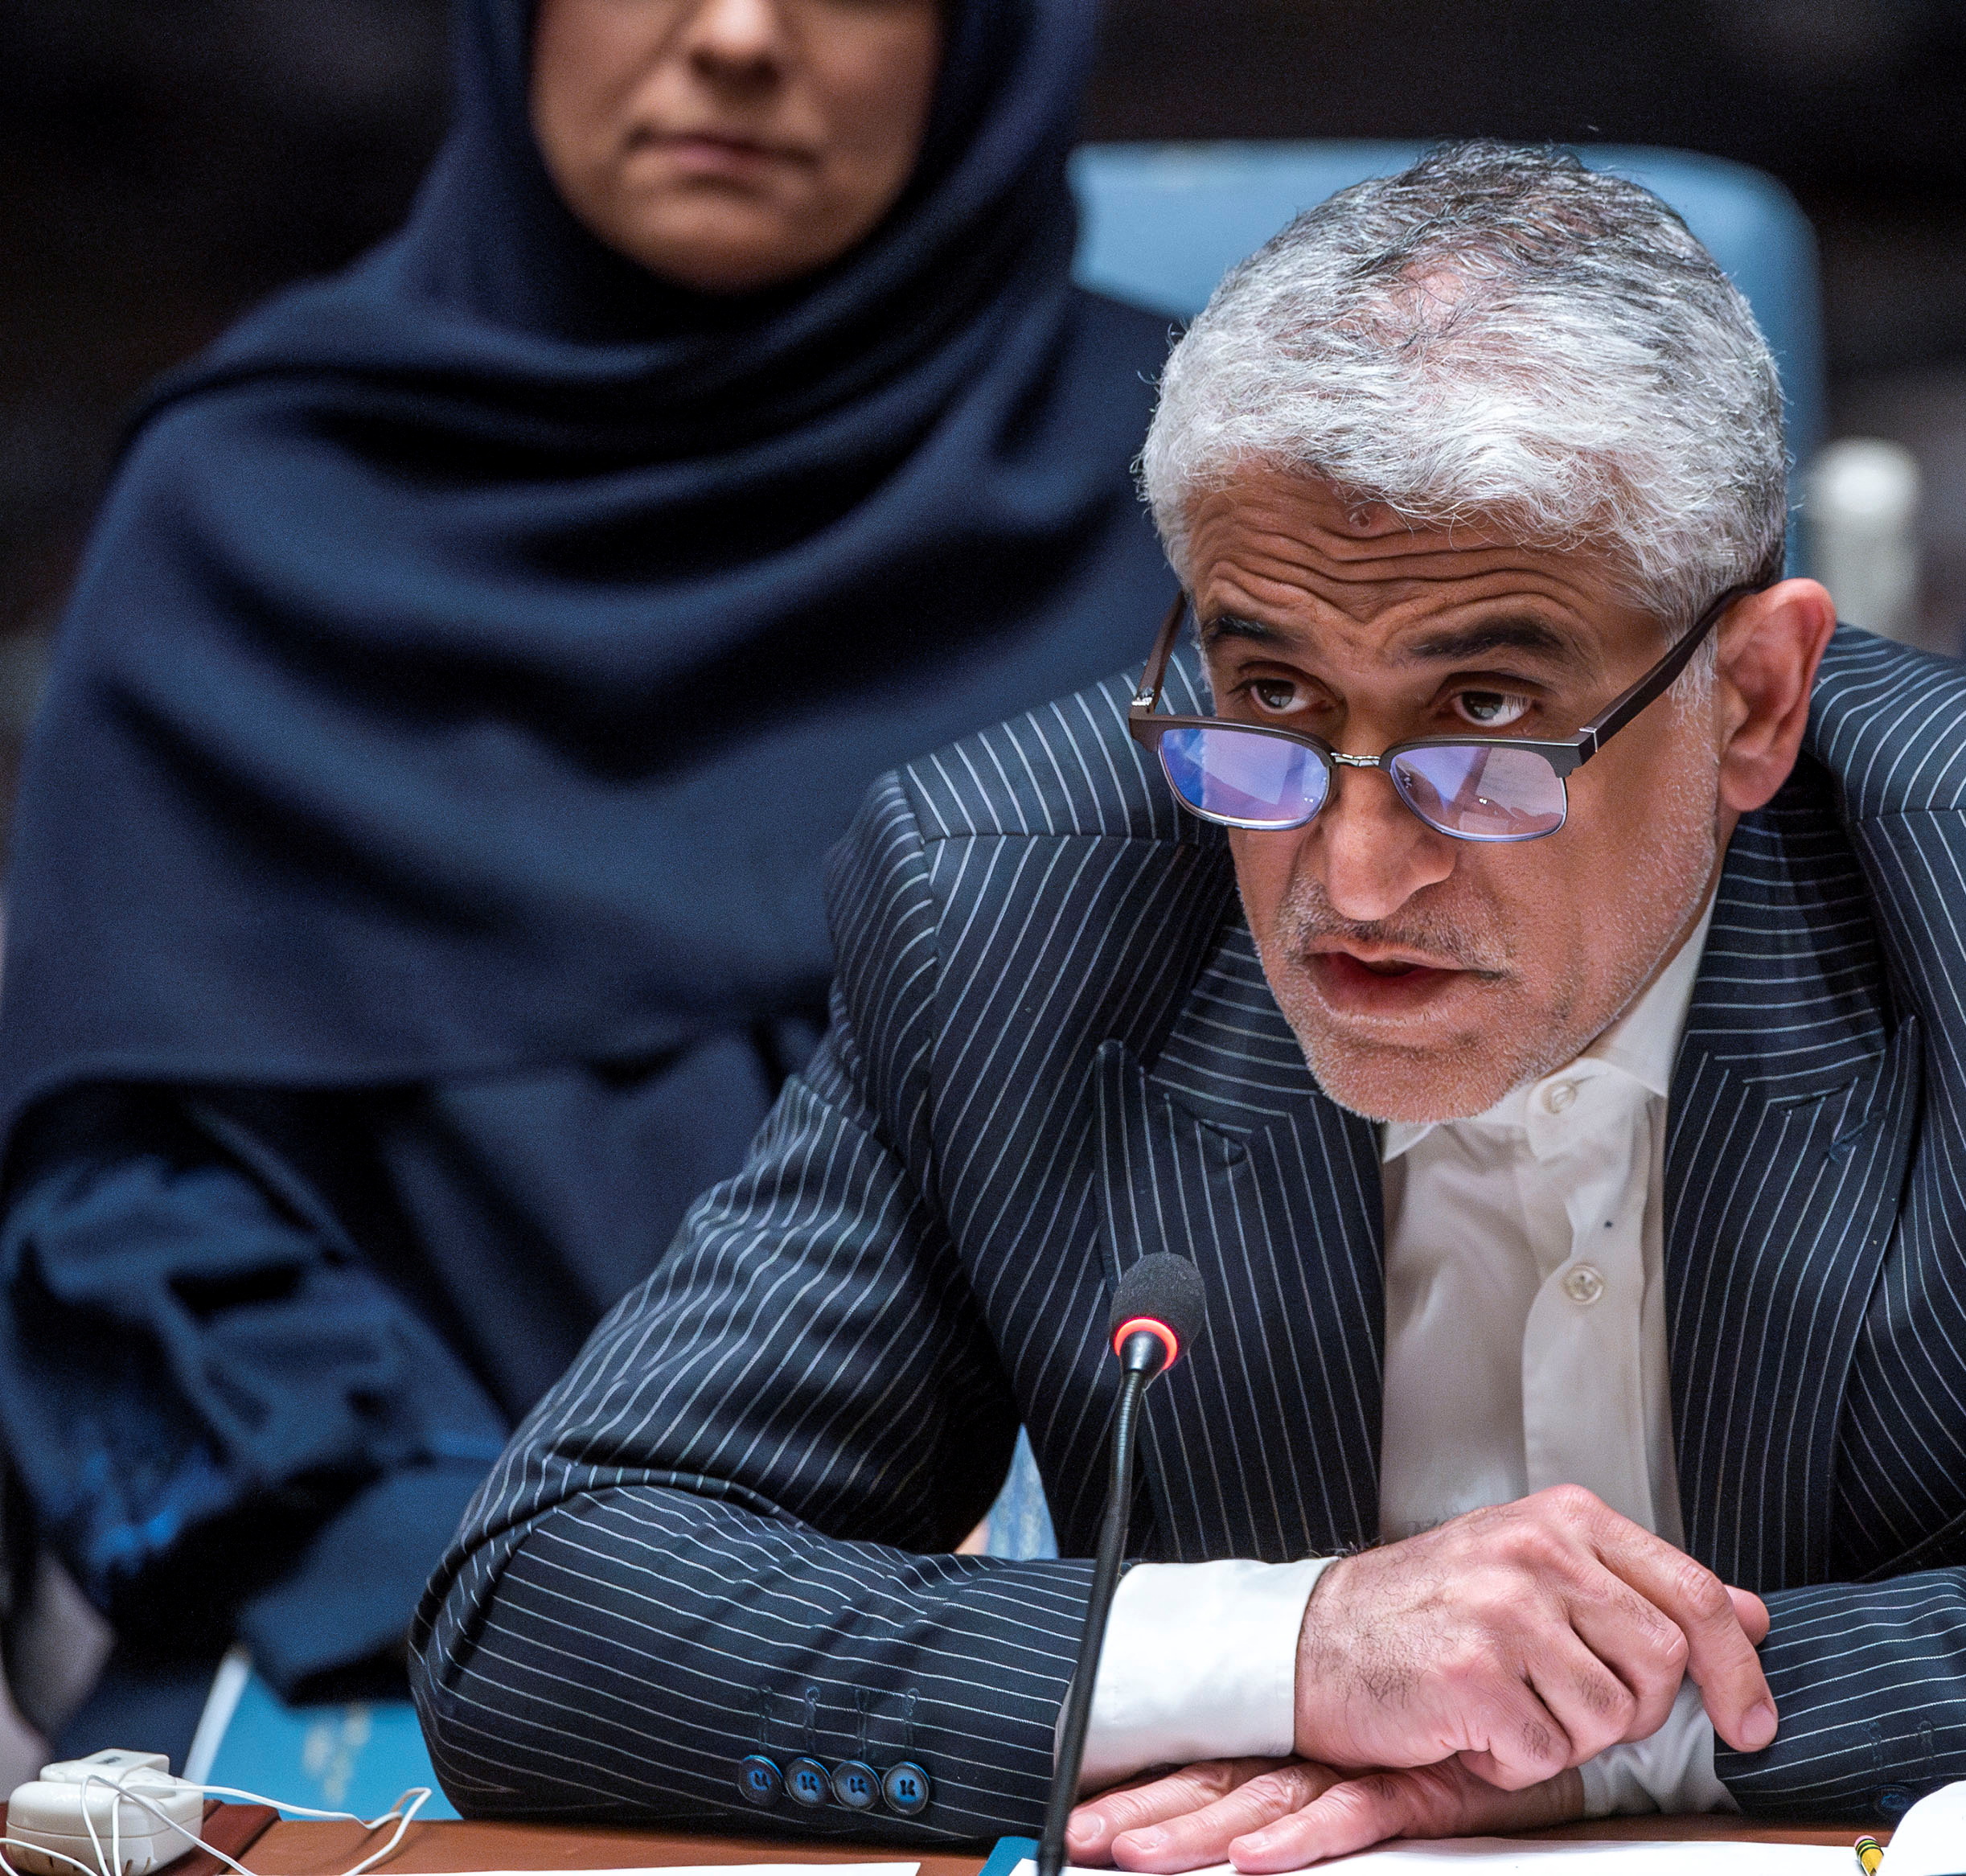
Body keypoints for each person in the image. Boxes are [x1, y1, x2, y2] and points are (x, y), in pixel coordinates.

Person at [416, 144, 1966, 1864]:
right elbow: (548, 1608)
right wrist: (1295, 1645)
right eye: (1266, 697)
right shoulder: (1008, 894)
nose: (1346, 873)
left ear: (1755, 697)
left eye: (1486, 714)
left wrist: (1601, 1724)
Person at [0, 0, 1173, 1762]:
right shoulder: (255, 507)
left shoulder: (1214, 514)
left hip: (1085, 1627)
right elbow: (122, 1206)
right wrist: (530, 1577)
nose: (736, 37)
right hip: (384, 1635)